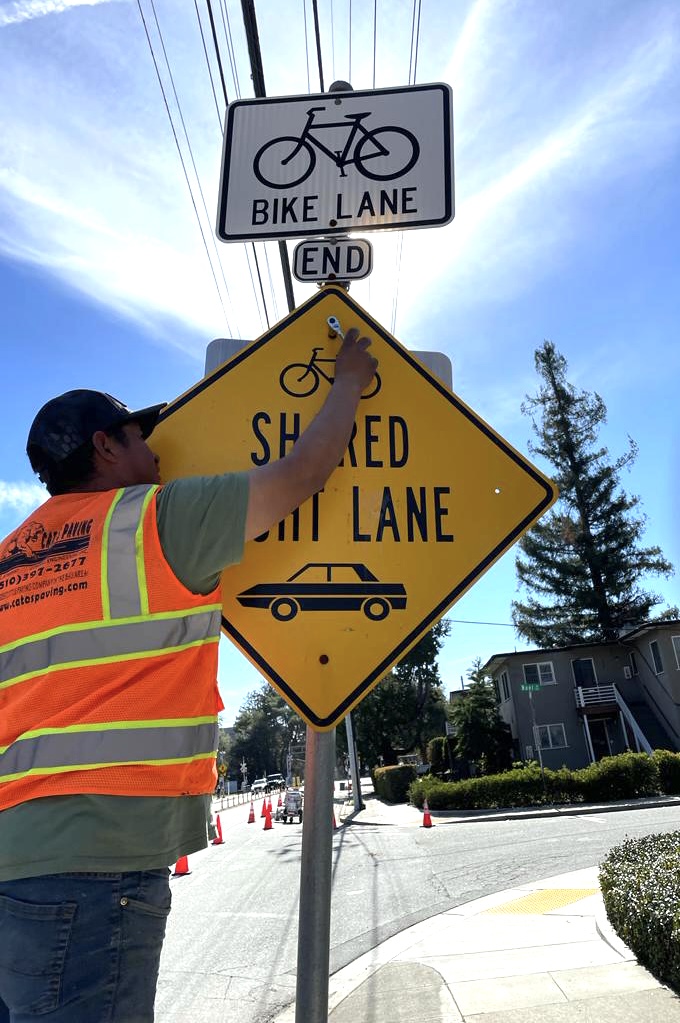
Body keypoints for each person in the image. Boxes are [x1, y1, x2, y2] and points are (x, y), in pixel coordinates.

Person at [0, 327, 377, 1023]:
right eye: (138, 435)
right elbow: (299, 476)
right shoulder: (151, 519)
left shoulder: (10, 559)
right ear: (104, 446)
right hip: (97, 866)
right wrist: (350, 381)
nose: (155, 450)